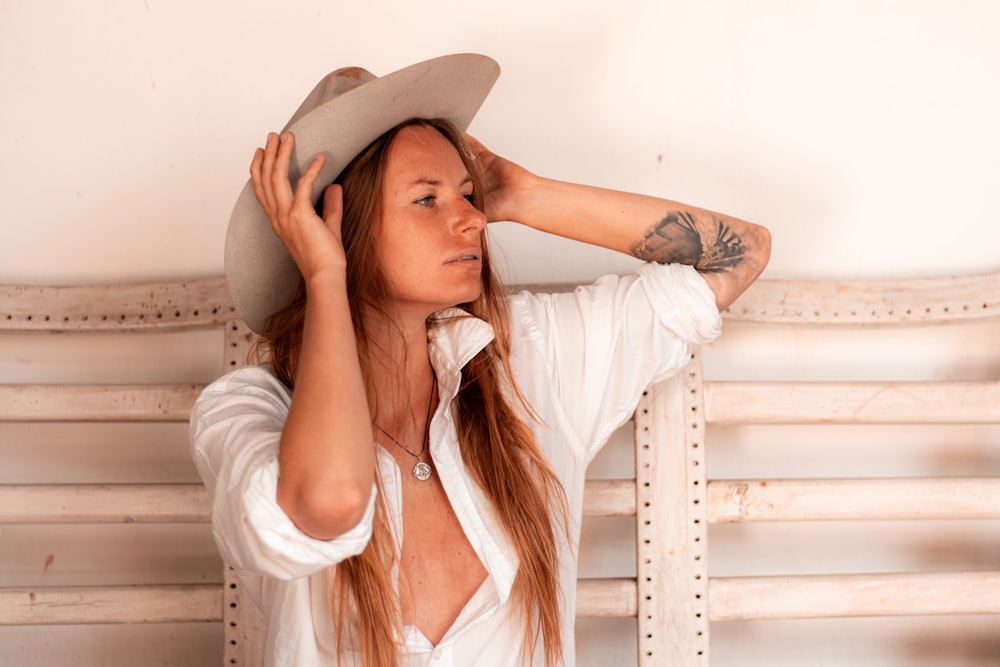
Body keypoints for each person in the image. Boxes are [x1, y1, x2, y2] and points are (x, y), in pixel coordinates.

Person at [190, 53, 770, 667]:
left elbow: (740, 255)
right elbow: (330, 499)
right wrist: (327, 276)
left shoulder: (527, 360)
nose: (472, 219)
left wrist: (523, 193)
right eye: (426, 200)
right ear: (337, 228)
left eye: (468, 195)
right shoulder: (247, 411)